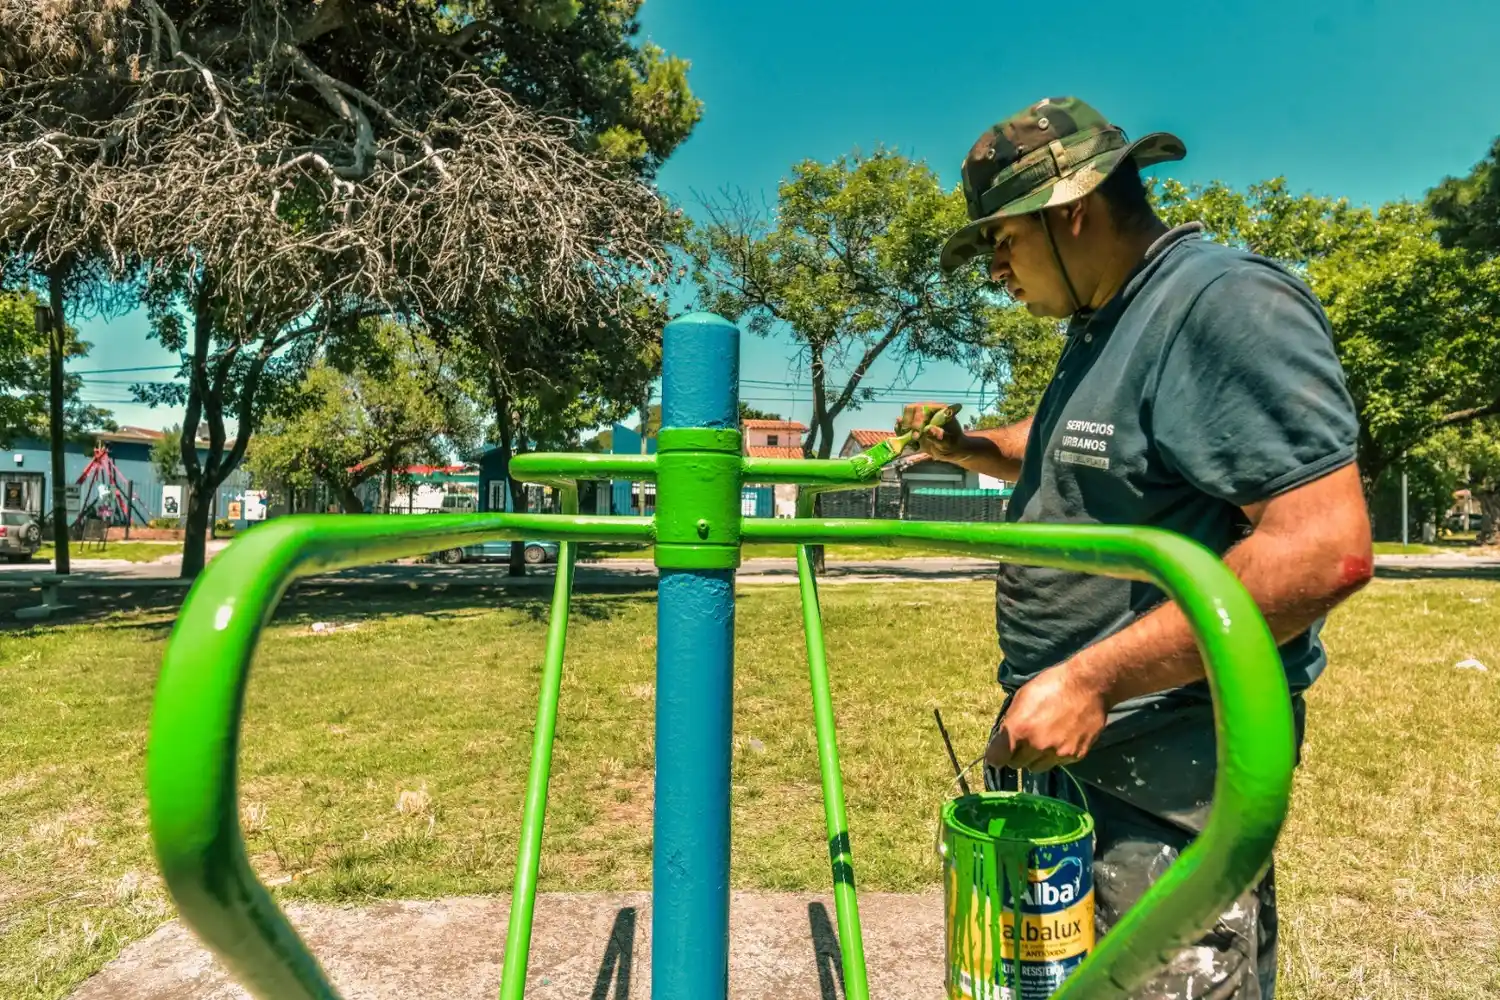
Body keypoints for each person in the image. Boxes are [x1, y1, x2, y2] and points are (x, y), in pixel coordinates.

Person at [899, 97, 1373, 999]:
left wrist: (1091, 681)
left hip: (1167, 756)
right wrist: (971, 448)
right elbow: (1086, 445)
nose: (994, 270)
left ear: (1074, 209)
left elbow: (1324, 550)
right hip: (1086, 746)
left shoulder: (1221, 304)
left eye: (1003, 240)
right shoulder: (1109, 322)